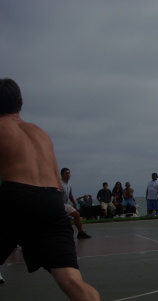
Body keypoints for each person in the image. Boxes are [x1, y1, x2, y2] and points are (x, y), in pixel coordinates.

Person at [0, 78, 100, 300]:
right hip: (51, 202)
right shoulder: (40, 133)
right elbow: (56, 181)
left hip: (16, 195)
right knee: (72, 280)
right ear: (21, 102)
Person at [60, 168, 92, 238]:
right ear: (62, 175)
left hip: (65, 204)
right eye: (66, 173)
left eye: (69, 173)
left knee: (77, 214)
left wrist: (74, 204)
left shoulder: (69, 184)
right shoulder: (59, 184)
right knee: (63, 220)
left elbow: (70, 195)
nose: (68, 175)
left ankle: (80, 233)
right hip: (58, 205)